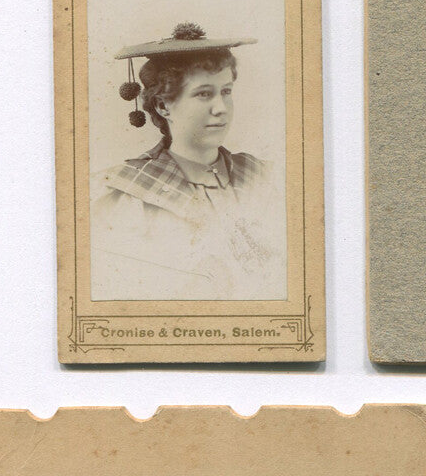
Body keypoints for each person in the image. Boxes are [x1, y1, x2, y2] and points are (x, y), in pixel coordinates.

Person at [90, 22, 284, 300]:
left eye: (226, 91)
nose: (220, 108)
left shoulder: (264, 176)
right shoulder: (124, 196)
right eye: (203, 94)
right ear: (163, 106)